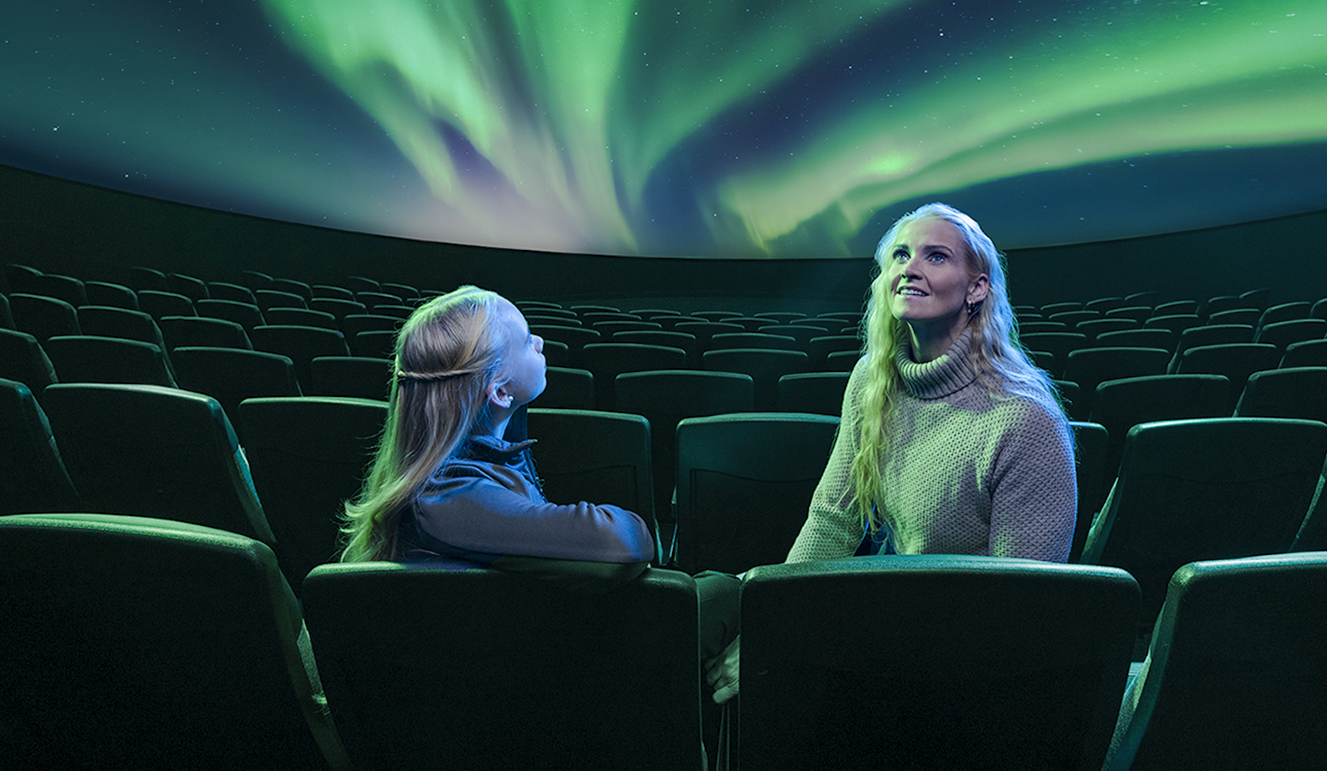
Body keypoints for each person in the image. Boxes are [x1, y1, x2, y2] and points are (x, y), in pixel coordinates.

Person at [704, 202, 1076, 704]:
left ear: (977, 288)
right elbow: (834, 519)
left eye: (936, 256)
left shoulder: (1026, 421)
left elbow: (1015, 616)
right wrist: (774, 623)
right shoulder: (871, 379)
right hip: (888, 599)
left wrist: (808, 636)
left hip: (959, 650)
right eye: (900, 254)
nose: (910, 268)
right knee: (711, 603)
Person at [339, 285, 654, 578]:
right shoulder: (446, 502)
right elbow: (624, 542)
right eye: (527, 339)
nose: (539, 342)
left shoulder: (465, 466)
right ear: (501, 393)